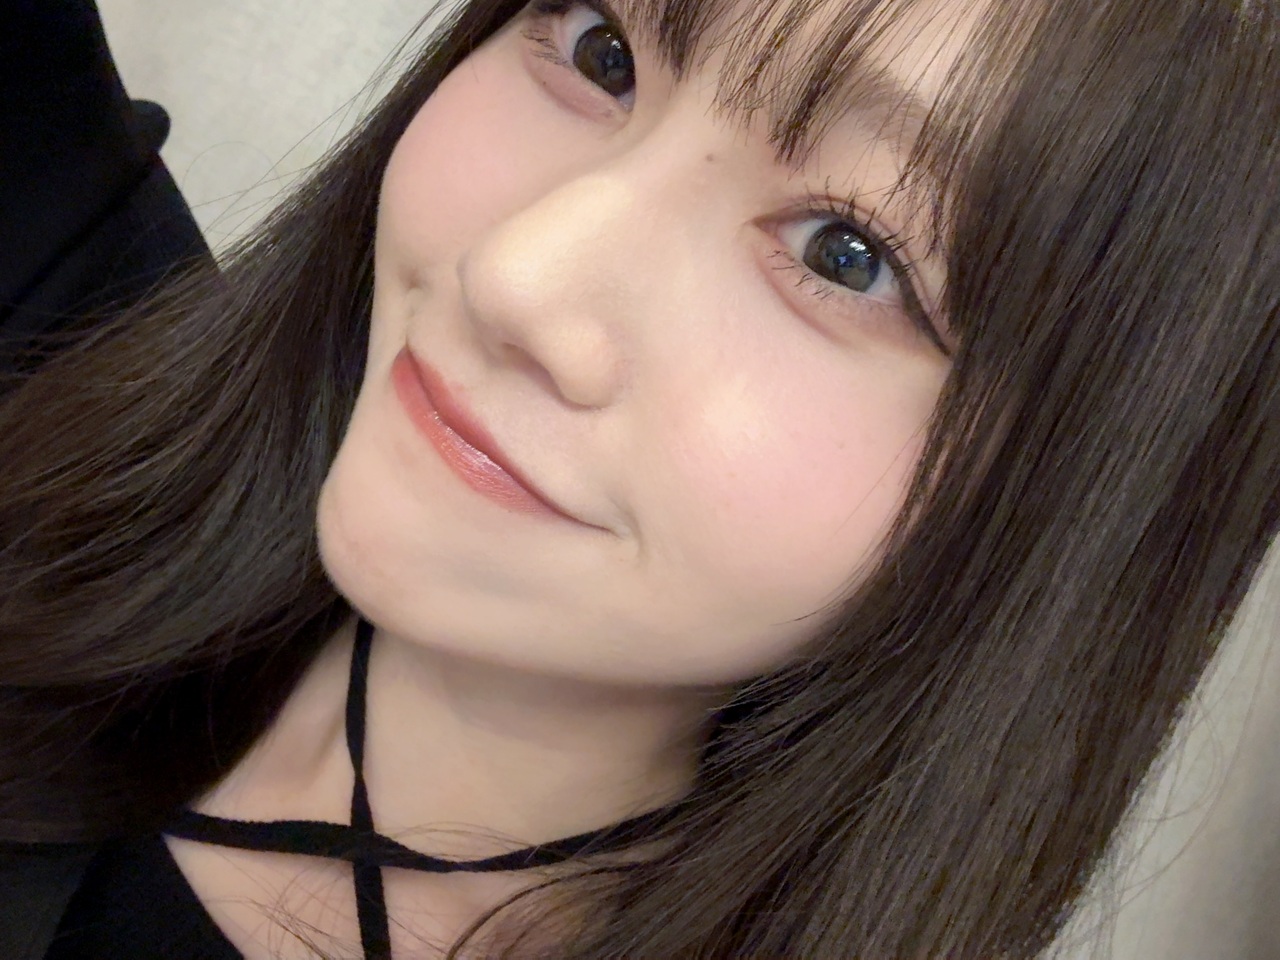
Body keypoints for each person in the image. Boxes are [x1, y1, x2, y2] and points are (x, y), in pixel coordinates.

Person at [1, 0, 1277, 957]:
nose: (517, 277)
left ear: (1070, 516)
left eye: (845, 253)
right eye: (602, 49)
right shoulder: (57, 312)